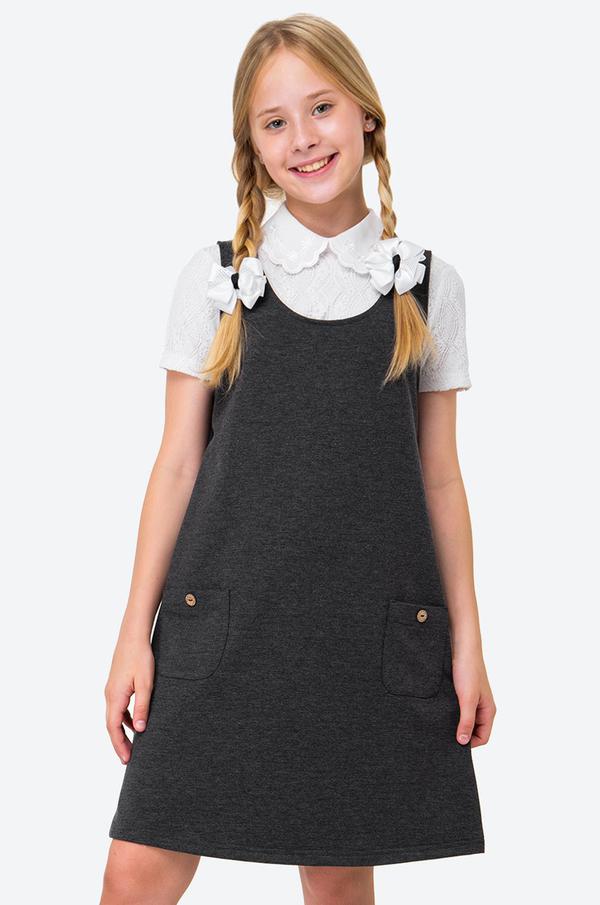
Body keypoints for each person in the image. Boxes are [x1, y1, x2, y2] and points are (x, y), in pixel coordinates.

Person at [101, 13, 496, 905]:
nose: (304, 138)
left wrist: (468, 642)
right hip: (222, 625)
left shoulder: (427, 284)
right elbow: (176, 464)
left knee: (337, 871)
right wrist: (133, 632)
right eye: (274, 122)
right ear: (252, 146)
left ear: (365, 113)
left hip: (364, 633)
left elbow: (440, 476)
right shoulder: (217, 278)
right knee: (137, 868)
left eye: (321, 108)